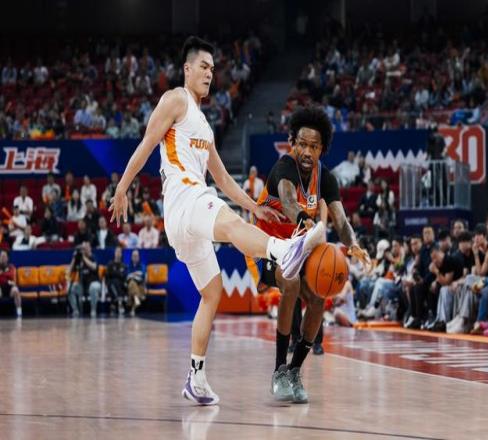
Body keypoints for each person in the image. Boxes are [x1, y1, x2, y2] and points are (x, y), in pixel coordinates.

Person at [109, 36, 326, 406]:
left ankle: (195, 377)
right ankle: (283, 250)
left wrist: (255, 207)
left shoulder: (205, 126)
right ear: (187, 69)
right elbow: (146, 143)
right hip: (183, 199)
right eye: (203, 67)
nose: (210, 73)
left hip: (187, 222)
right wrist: (122, 187)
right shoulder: (176, 99)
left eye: (212, 68)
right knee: (227, 222)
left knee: (213, 292)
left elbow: (223, 179)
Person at [249, 107, 369, 403]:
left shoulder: (325, 178)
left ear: (321, 149)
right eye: (301, 144)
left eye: (313, 146)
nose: (306, 151)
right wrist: (305, 220)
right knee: (290, 283)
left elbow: (340, 220)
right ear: (292, 142)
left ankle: (294, 371)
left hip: (298, 244)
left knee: (318, 298)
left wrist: (353, 244)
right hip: (265, 244)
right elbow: (289, 201)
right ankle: (279, 370)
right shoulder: (283, 168)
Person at [67, 241, 100, 318]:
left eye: (86, 248)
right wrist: (74, 258)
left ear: (90, 248)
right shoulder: (79, 259)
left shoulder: (93, 257)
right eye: (83, 248)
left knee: (93, 287)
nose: (84, 250)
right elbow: (69, 271)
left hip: (94, 282)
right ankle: (75, 310)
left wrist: (84, 257)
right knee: (70, 289)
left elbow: (94, 267)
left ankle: (93, 310)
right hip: (82, 284)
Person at [105, 246, 127, 315]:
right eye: (117, 252)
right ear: (115, 253)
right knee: (113, 282)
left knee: (116, 282)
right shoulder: (110, 264)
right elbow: (107, 276)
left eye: (119, 252)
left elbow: (123, 277)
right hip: (110, 284)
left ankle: (113, 304)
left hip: (120, 285)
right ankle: (120, 303)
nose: (118, 253)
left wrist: (115, 273)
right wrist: (118, 273)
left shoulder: (124, 265)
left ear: (121, 254)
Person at [0, 250, 22, 317]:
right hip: (1, 287)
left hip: (10, 288)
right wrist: (7, 280)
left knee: (16, 290)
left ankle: (19, 311)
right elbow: (7, 277)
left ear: (7, 258)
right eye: (1, 256)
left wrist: (2, 274)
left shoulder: (11, 267)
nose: (3, 258)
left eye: (4, 256)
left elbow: (11, 275)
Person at [127, 249, 146, 316]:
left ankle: (132, 305)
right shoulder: (129, 266)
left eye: (136, 256)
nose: (135, 257)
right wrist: (135, 274)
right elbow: (127, 276)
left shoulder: (142, 265)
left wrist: (133, 275)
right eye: (134, 256)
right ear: (131, 257)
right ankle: (135, 301)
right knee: (132, 283)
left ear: (139, 257)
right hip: (132, 285)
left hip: (140, 285)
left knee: (132, 284)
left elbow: (142, 275)